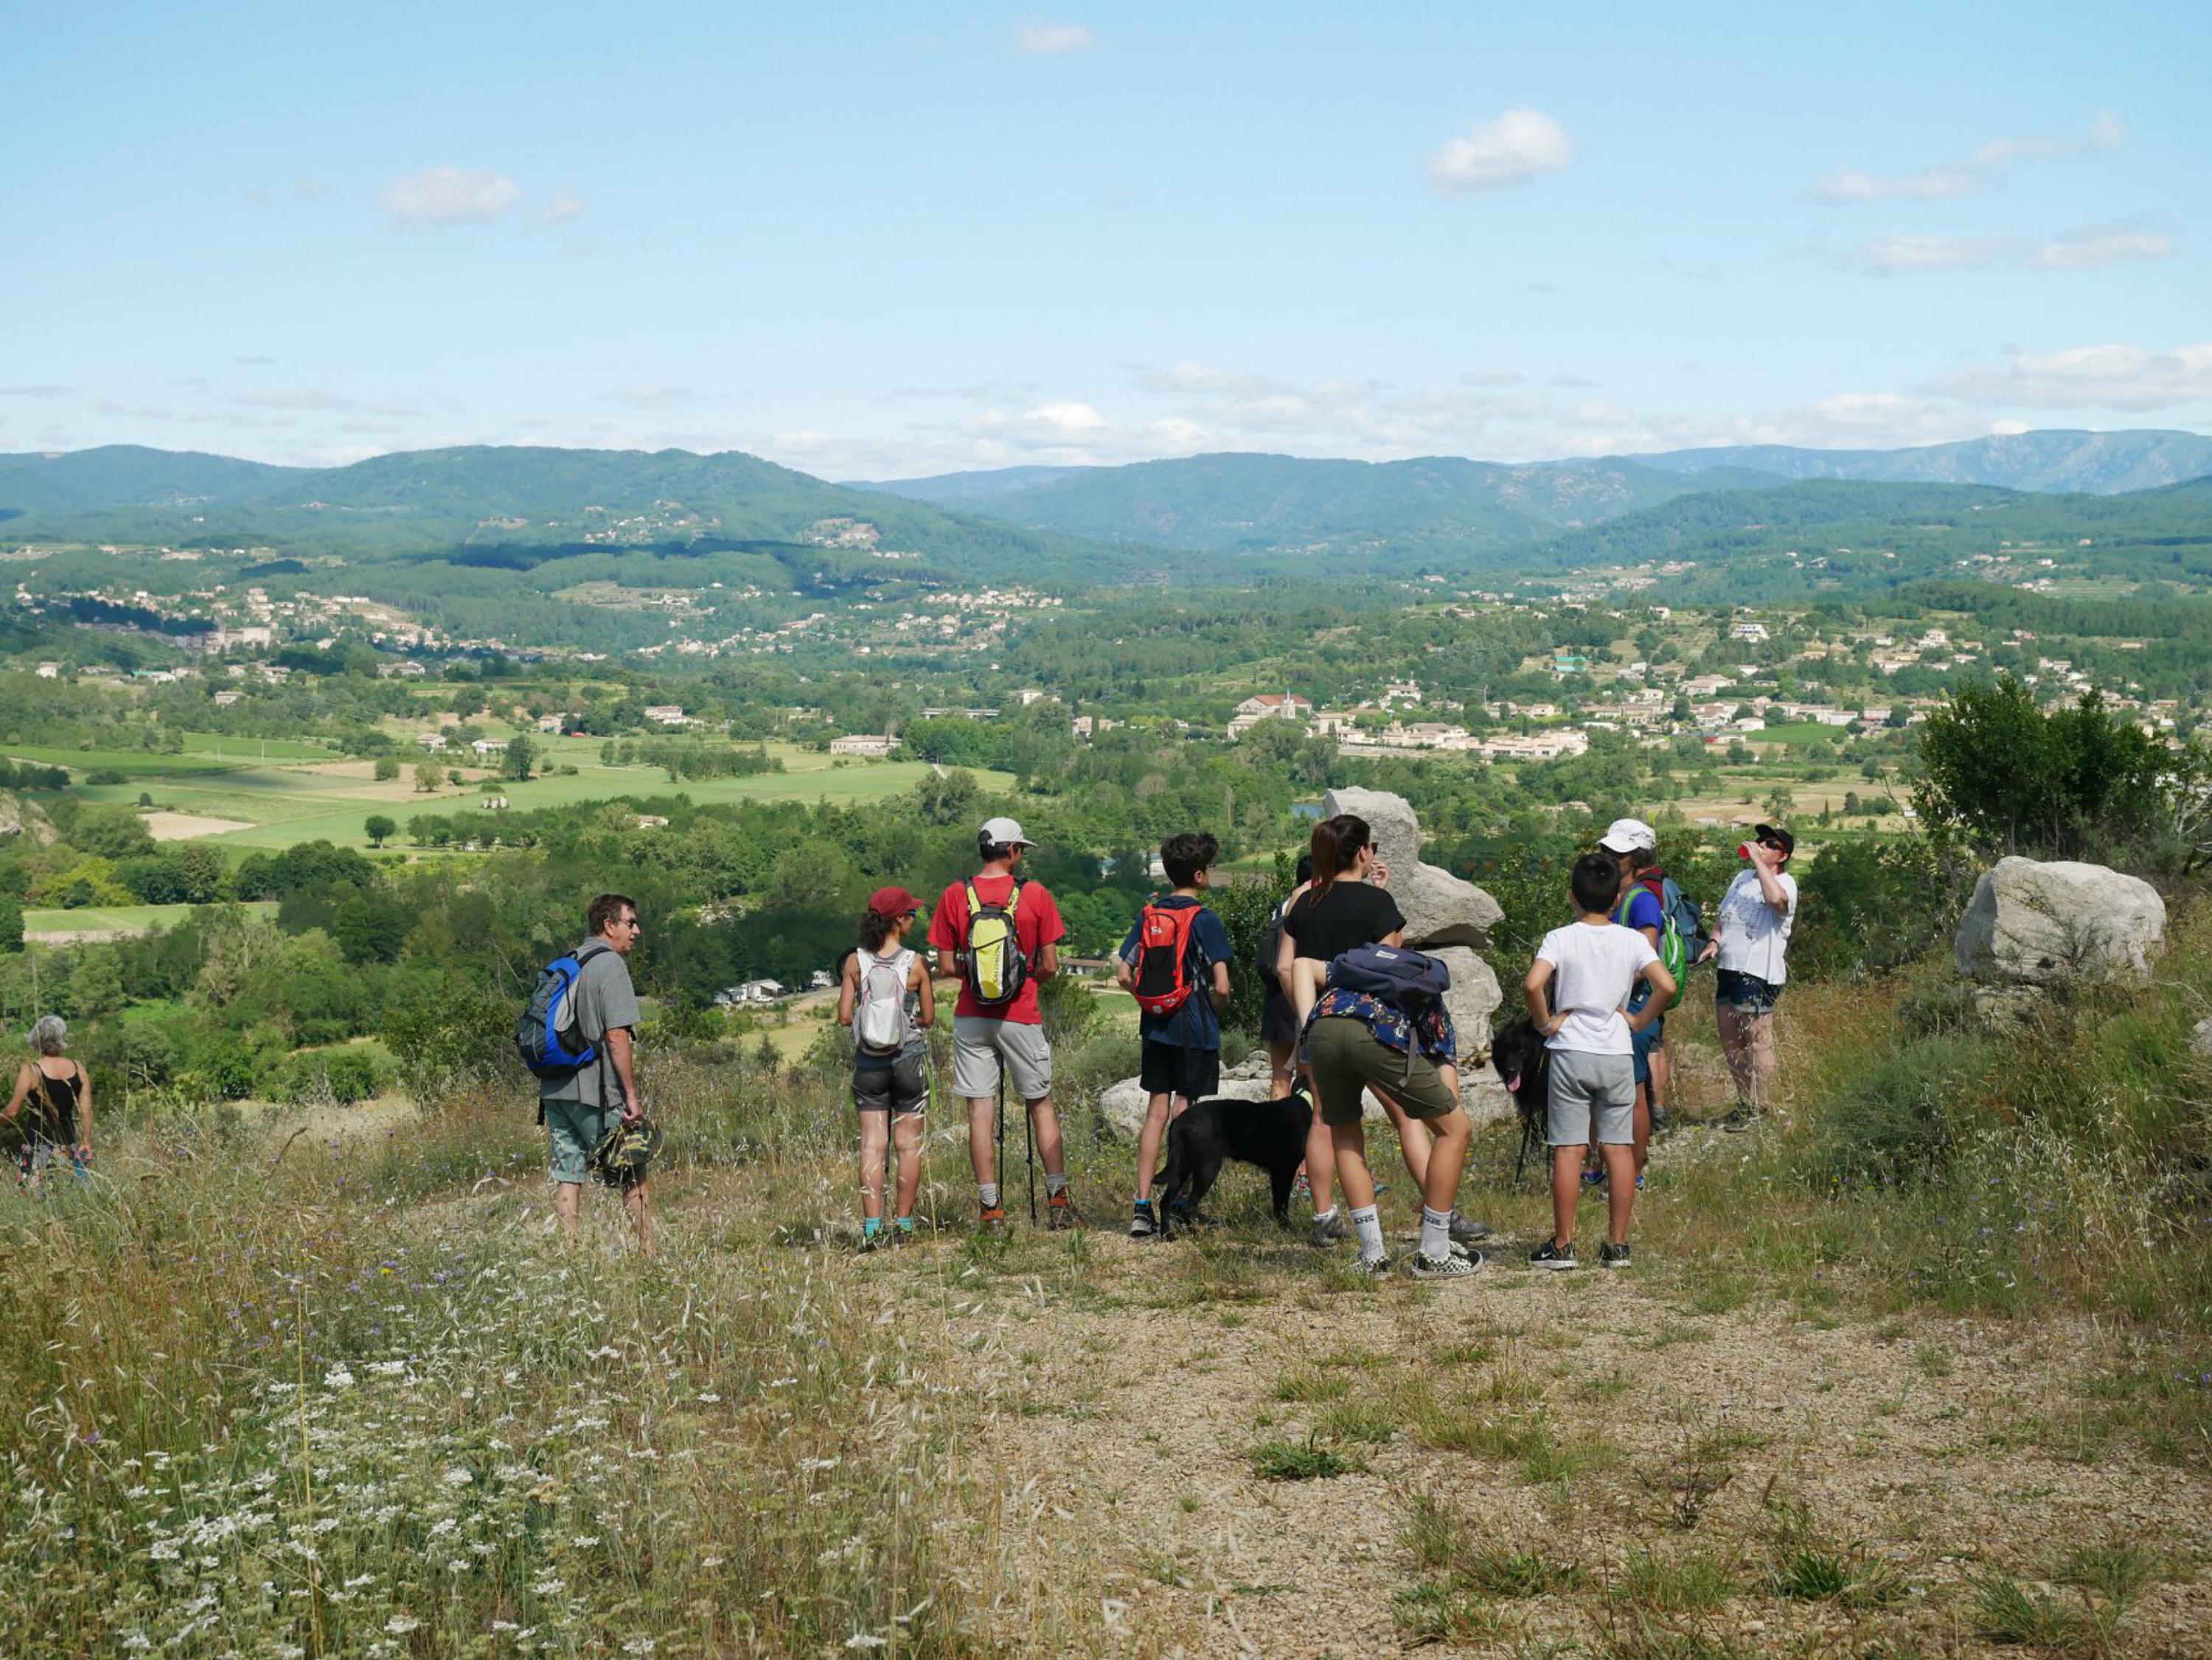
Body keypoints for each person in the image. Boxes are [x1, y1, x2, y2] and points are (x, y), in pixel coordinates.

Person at [1279, 814, 1479, 1279]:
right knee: (1447, 1126)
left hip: (1322, 1027)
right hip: (1375, 1029)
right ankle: (1436, 1243)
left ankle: (1372, 1255)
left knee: (1343, 1130)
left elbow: (1290, 967)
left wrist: (1308, 1026)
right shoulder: (1376, 902)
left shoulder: (1304, 903)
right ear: (1364, 853)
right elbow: (1391, 964)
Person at [1523, 854, 1677, 1270]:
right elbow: (1667, 984)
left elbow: (1534, 983)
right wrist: (1639, 1019)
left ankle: (1563, 1244)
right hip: (1616, 1052)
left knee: (1570, 1149)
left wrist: (1546, 1024)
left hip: (1571, 1051)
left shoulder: (1560, 937)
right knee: (1618, 1148)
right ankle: (1617, 1246)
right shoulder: (1630, 941)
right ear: (1616, 899)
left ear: (1573, 895)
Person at [928, 815, 1074, 1235]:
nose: (1021, 857)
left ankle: (991, 1210)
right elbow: (1049, 965)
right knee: (1040, 1103)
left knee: (980, 1110)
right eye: (1021, 850)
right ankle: (1058, 1202)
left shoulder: (956, 895)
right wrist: (1024, 982)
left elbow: (944, 965)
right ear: (1011, 851)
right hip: (1021, 1014)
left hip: (972, 1015)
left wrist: (977, 977)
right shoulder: (1035, 895)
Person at [1116, 832, 1233, 1238]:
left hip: (1156, 1030)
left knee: (1155, 1112)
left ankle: (1142, 1206)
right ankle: (1178, 1203)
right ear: (1200, 875)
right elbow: (1222, 986)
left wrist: (1151, 1004)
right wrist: (1210, 1017)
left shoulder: (1148, 914)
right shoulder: (1206, 920)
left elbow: (1123, 974)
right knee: (1187, 1114)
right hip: (1195, 1029)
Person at [538, 893, 655, 1256]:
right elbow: (616, 1035)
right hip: (595, 1090)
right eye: (630, 922)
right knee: (631, 1167)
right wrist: (631, 1098)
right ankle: (649, 1254)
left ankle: (571, 1255)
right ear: (609, 925)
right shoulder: (610, 966)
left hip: (555, 1088)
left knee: (568, 1172)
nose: (637, 931)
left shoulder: (569, 961)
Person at [840, 885, 936, 1248]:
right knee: (908, 1145)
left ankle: (871, 1228)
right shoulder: (916, 963)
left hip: (869, 1065)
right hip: (908, 1059)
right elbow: (928, 1017)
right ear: (899, 920)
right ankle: (905, 1225)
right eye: (911, 913)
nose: (914, 918)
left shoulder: (854, 962)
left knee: (872, 1146)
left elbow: (844, 1015)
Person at [1697, 824, 1798, 1130]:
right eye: (1760, 841)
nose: (1761, 846)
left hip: (1758, 971)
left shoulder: (1786, 881)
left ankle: (1763, 1107)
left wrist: (1758, 862)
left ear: (1784, 855)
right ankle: (1745, 1103)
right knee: (1731, 1042)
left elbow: (1777, 903)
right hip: (1728, 966)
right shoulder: (1741, 879)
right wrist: (1714, 941)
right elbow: (1724, 916)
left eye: (1770, 844)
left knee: (1757, 1042)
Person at [1600, 817, 1669, 1177]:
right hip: (1616, 1007)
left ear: (1637, 857)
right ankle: (1607, 1166)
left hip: (1635, 1009)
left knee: (1636, 1093)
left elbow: (1647, 959)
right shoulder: (1618, 896)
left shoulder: (1641, 901)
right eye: (1607, 849)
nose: (1610, 856)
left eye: (1619, 852)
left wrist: (1603, 982)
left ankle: (1635, 1169)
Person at [1, 1016, 91, 1192]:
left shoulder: (31, 1070)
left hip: (36, 1149)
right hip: (68, 1145)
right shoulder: (78, 1067)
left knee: (34, 1203)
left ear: (37, 1038)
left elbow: (12, 1112)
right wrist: (86, 1141)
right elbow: (86, 1110)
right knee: (69, 1199)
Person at [1259, 853, 1316, 1101]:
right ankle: (1305, 1134)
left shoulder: (1280, 908)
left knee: (1280, 1080)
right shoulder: (1311, 904)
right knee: (1307, 1078)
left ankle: (1275, 1134)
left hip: (1275, 999)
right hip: (1300, 995)